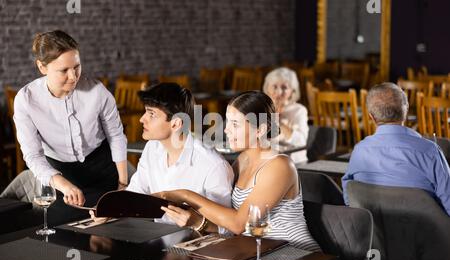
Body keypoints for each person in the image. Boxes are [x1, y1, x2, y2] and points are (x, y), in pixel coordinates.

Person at [157, 91, 320, 251]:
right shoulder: (242, 161)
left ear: (260, 130)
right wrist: (198, 222)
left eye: (235, 124)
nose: (226, 130)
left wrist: (185, 195)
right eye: (227, 122)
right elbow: (231, 225)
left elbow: (238, 224)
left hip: (295, 252)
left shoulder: (279, 166)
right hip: (257, 250)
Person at [13, 30, 128, 225]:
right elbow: (33, 155)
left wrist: (122, 185)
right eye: (64, 70)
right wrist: (63, 185)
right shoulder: (26, 100)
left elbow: (116, 135)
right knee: (62, 238)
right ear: (42, 67)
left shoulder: (97, 91)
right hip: (60, 178)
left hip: (103, 172)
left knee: (114, 234)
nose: (73, 76)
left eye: (77, 67)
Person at [103, 83, 233, 230]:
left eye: (151, 114)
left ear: (176, 124)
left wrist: (199, 222)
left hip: (201, 248)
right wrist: (110, 209)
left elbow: (227, 230)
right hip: (161, 239)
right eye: (145, 112)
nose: (142, 119)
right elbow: (136, 192)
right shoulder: (152, 147)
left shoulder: (213, 165)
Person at [342, 82, 450, 215]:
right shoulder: (430, 152)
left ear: (371, 117)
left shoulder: (359, 151)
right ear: (406, 110)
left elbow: (349, 198)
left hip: (375, 234)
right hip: (426, 233)